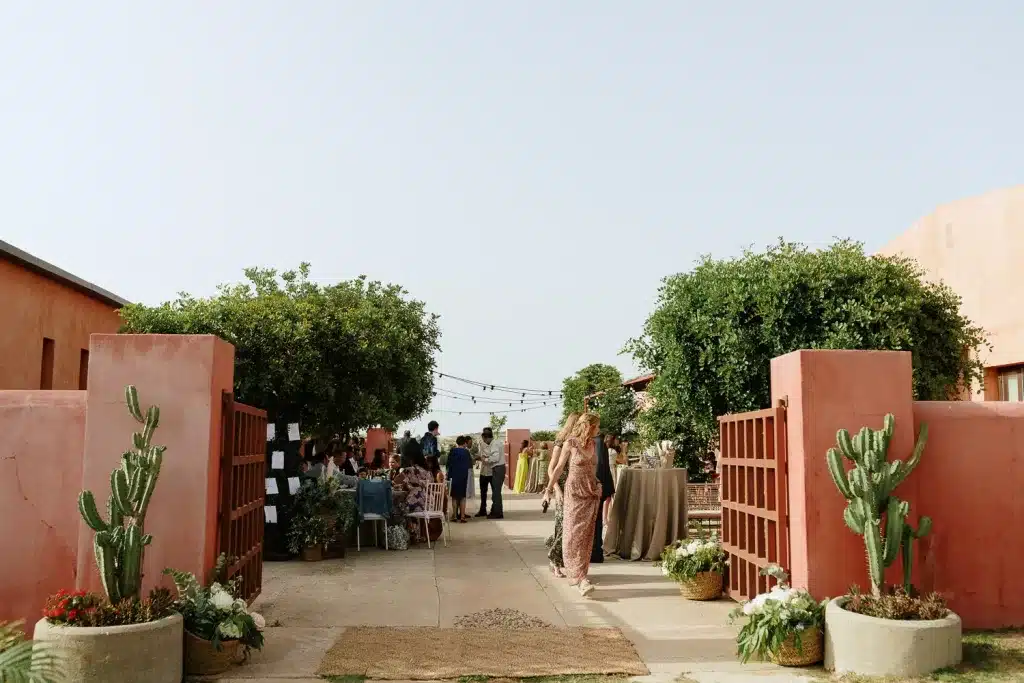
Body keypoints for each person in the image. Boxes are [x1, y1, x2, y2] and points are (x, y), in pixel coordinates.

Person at [548, 412, 601, 596]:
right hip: (574, 492)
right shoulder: (570, 443)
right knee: (572, 534)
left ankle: (582, 576)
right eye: (597, 426)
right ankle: (578, 578)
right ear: (589, 426)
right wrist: (550, 489)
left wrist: (598, 484)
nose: (599, 430)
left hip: (590, 491)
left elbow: (592, 468)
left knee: (586, 535)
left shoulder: (593, 444)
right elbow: (559, 467)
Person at [542, 414, 580, 577]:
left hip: (576, 487)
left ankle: (554, 549)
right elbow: (552, 469)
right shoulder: (560, 443)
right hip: (562, 487)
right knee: (562, 524)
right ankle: (555, 560)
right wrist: (555, 489)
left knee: (571, 527)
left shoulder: (578, 442)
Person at [591, 432, 616, 563]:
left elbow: (599, 466)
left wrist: (597, 485)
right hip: (593, 486)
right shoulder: (596, 441)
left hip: (595, 488)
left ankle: (595, 552)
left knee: (596, 520)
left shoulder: (598, 442)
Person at [479, 427, 505, 519]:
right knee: (496, 492)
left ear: (486, 438)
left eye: (484, 440)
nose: (484, 442)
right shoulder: (497, 442)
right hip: (498, 468)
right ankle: (495, 511)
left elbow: (495, 458)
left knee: (496, 493)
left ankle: (497, 513)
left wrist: (485, 459)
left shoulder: (494, 444)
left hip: (498, 468)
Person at [446, 436, 472, 522]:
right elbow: (469, 465)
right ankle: (462, 517)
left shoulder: (452, 451)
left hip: (453, 475)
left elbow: (448, 464)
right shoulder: (466, 452)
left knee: (454, 497)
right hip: (463, 476)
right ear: (464, 443)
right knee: (462, 497)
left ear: (457, 442)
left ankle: (454, 516)